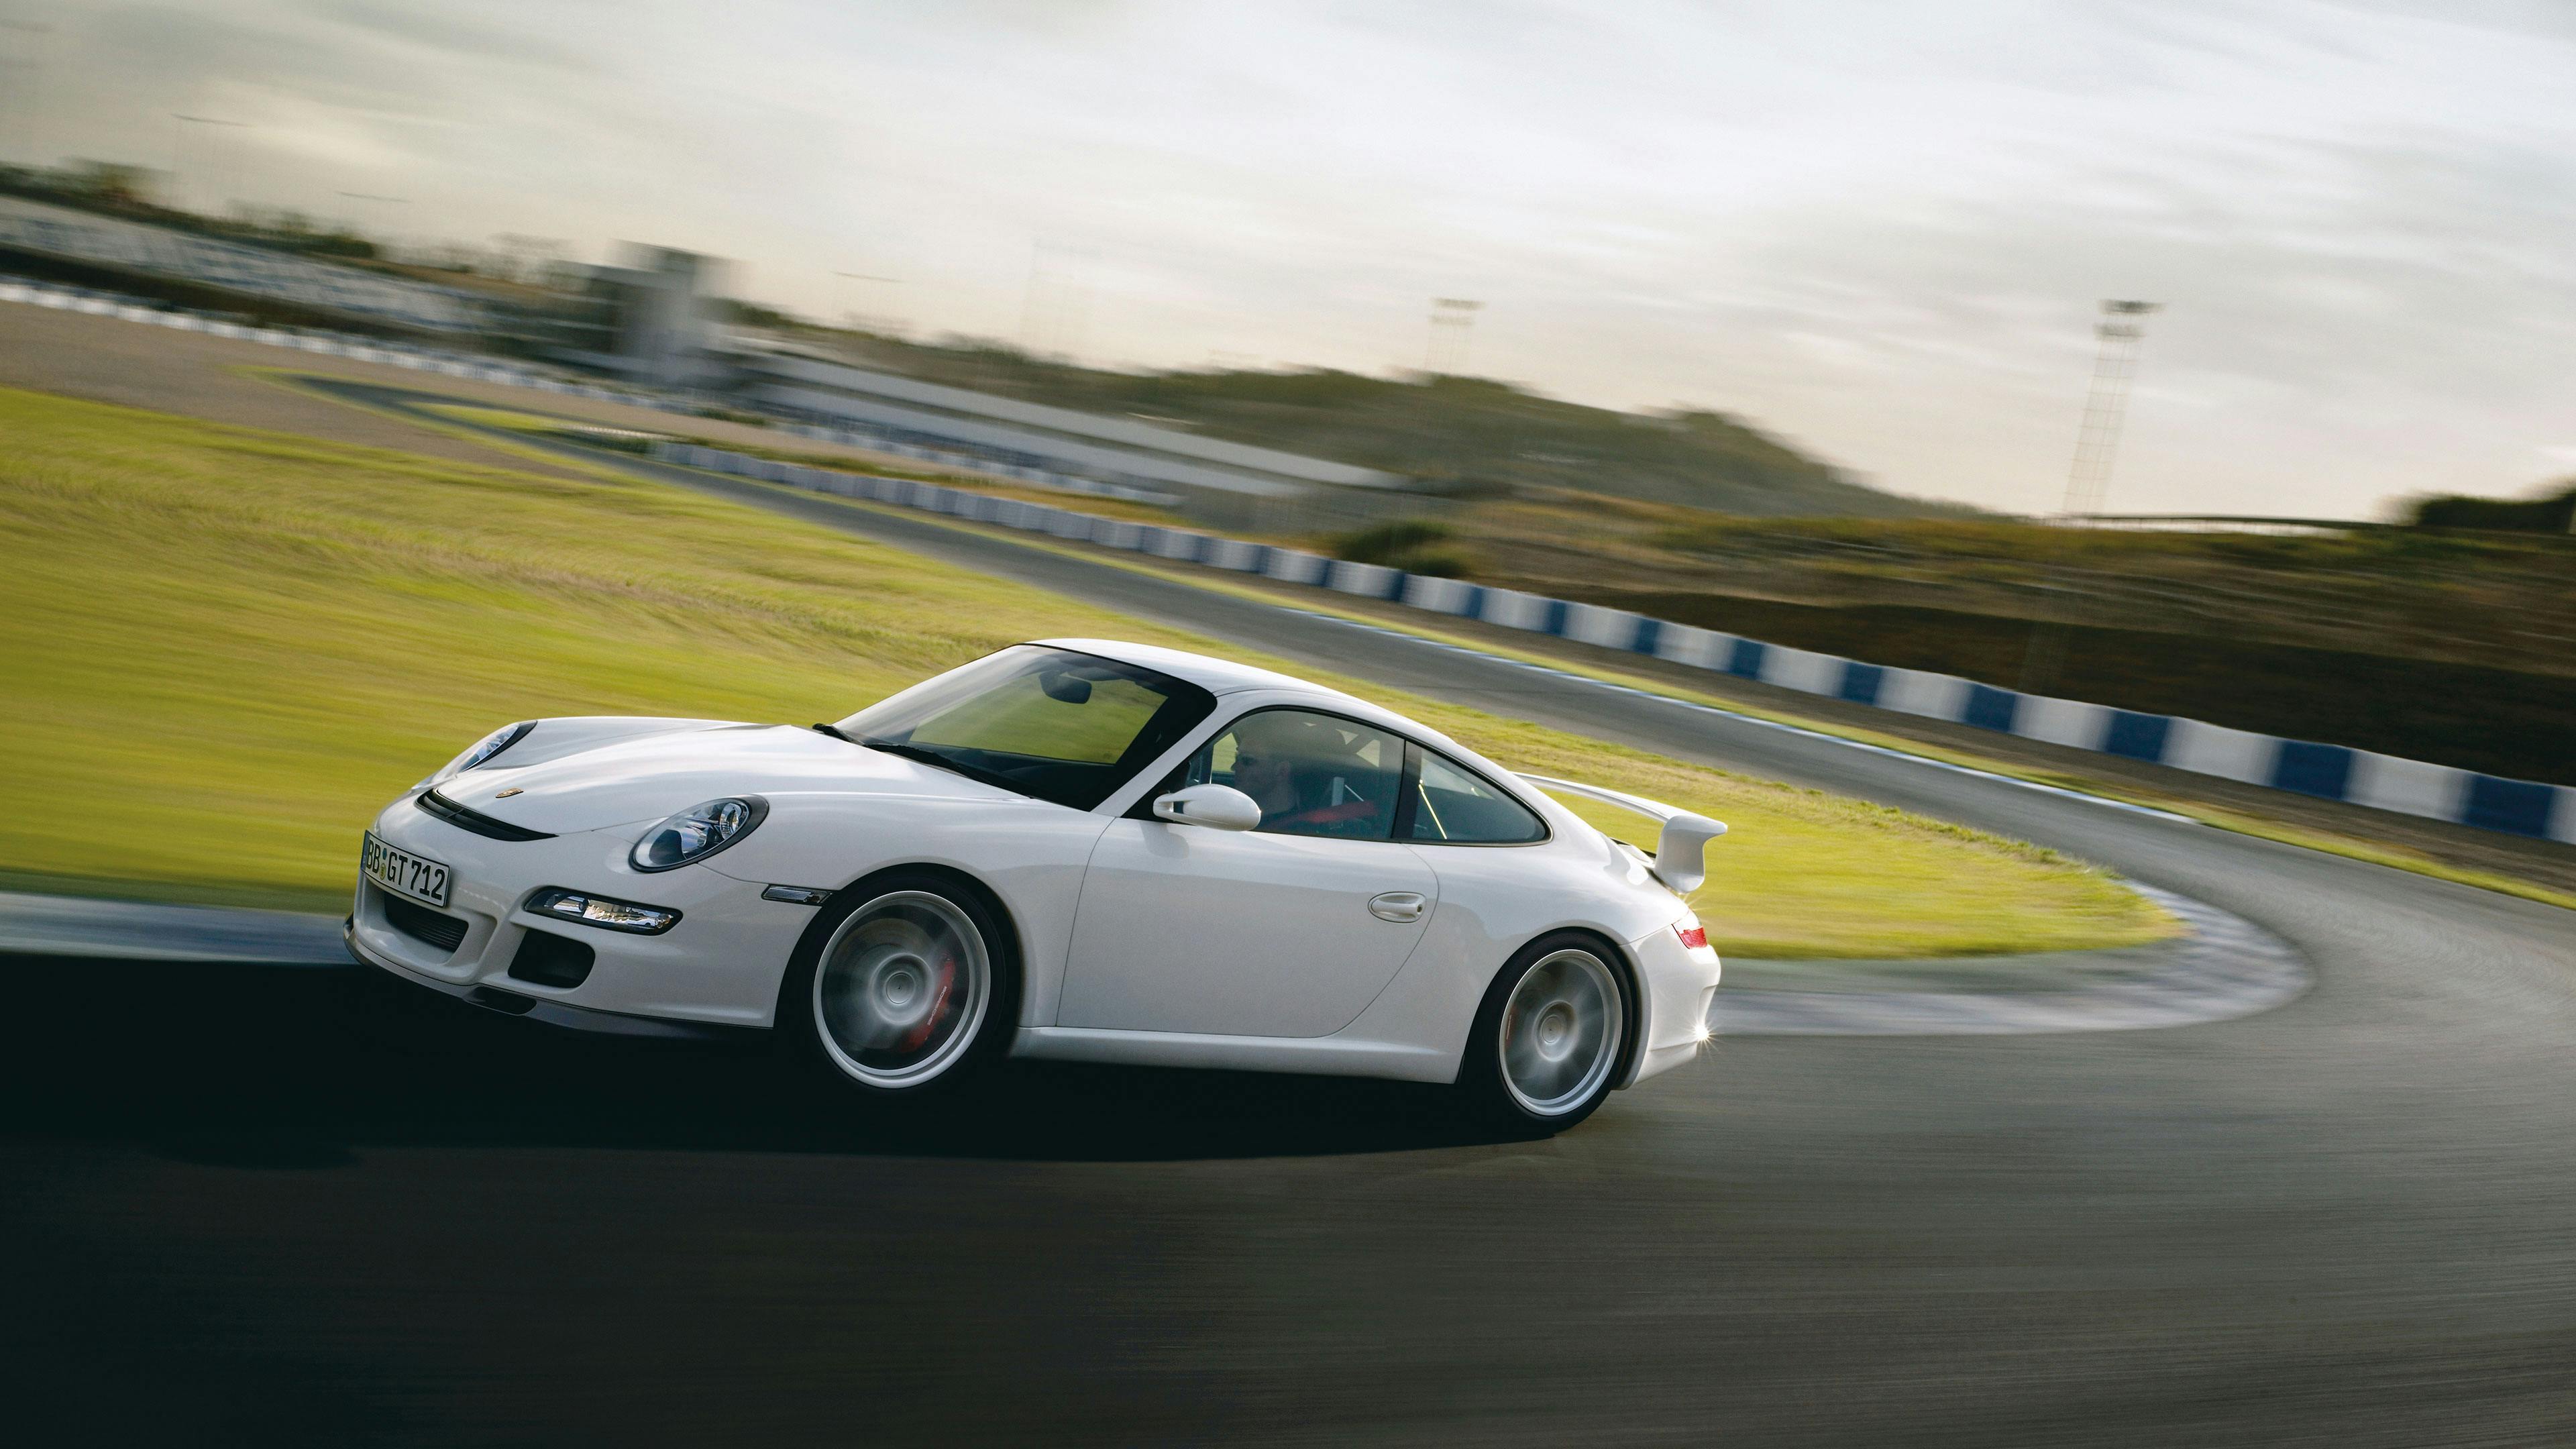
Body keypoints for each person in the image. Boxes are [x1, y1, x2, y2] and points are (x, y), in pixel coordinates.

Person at [1224, 712, 1391, 838]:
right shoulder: (1240, 815)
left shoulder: (1297, 832)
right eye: (1237, 758)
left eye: (1247, 761)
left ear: (1282, 771)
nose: (1234, 767)